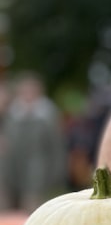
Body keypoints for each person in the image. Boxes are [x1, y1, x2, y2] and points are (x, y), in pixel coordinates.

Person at [0, 73, 67, 212]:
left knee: (32, 206)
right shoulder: (12, 114)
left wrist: (56, 173)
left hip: (37, 171)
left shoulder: (47, 115)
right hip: (13, 171)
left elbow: (56, 147)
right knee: (10, 209)